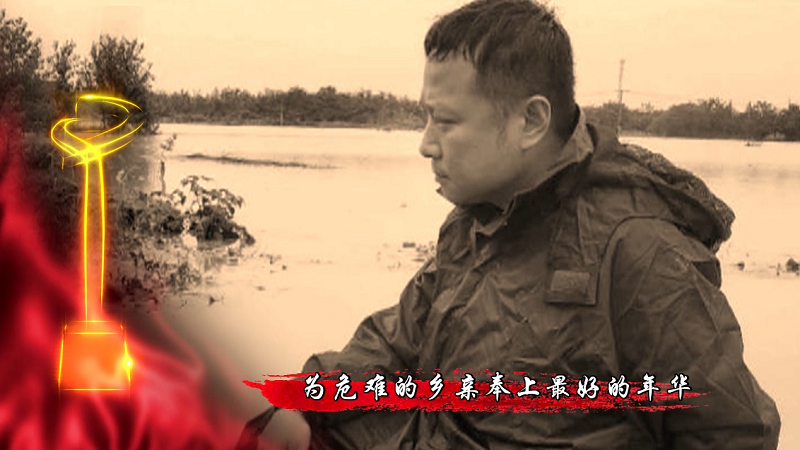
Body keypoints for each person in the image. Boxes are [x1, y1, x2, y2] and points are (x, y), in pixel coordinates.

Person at [237, 0, 781, 448]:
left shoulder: (639, 251)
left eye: (445, 121)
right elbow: (396, 347)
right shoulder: (473, 225)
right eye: (426, 117)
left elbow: (733, 432)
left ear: (531, 120)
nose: (426, 144)